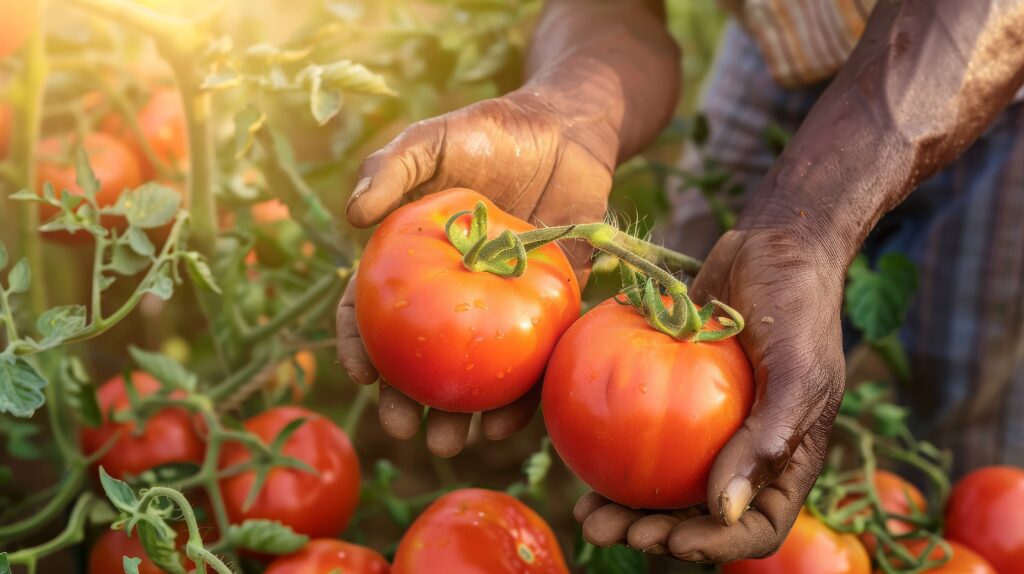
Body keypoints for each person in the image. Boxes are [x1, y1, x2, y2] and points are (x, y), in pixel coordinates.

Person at [337, 0, 1024, 563]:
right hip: (784, 35)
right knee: (726, 297)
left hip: (987, 53)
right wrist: (572, 111)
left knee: (955, 396)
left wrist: (805, 230)